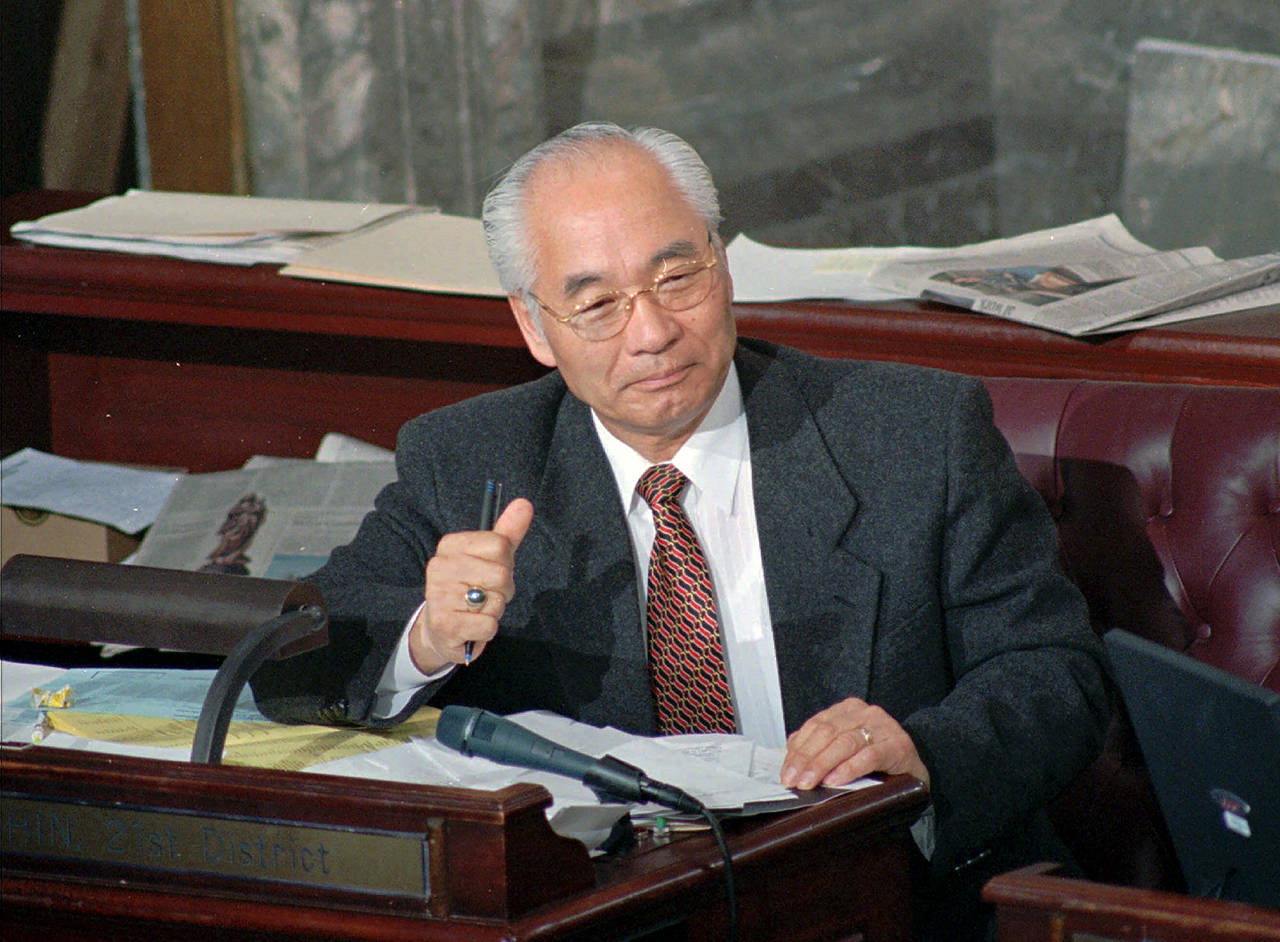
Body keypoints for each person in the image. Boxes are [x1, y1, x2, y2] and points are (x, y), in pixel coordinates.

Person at [252, 121, 1108, 939]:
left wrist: (921, 752)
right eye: (596, 304)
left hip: (894, 896)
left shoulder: (913, 434)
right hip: (618, 913)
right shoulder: (469, 458)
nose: (653, 334)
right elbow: (294, 661)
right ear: (532, 326)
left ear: (723, 267)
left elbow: (1054, 671)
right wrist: (427, 639)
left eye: (677, 279)